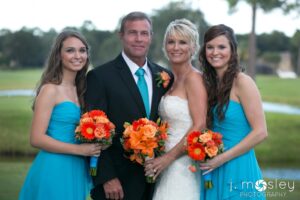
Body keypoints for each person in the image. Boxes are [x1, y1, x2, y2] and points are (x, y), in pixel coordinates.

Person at [85, 11, 173, 200]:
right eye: (132, 32)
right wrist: (107, 177)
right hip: (117, 185)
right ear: (121, 36)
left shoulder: (165, 76)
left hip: (158, 181)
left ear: (151, 37)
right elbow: (92, 131)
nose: (138, 39)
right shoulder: (100, 77)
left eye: (144, 33)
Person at [19, 30, 102, 200]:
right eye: (70, 50)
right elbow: (36, 138)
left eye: (82, 50)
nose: (77, 55)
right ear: (59, 55)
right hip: (55, 167)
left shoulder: (82, 90)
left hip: (77, 168)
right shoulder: (50, 89)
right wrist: (80, 149)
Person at [198, 24, 268, 199]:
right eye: (210, 47)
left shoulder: (243, 82)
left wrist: (221, 159)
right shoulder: (210, 84)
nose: (215, 52)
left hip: (239, 166)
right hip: (214, 168)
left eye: (222, 47)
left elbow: (260, 132)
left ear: (232, 50)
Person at [144, 19, 207, 200]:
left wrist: (167, 159)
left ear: (193, 47)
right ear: (165, 46)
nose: (175, 47)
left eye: (182, 42)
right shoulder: (170, 79)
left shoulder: (194, 79)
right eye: (171, 42)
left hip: (182, 163)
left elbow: (200, 124)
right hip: (163, 163)